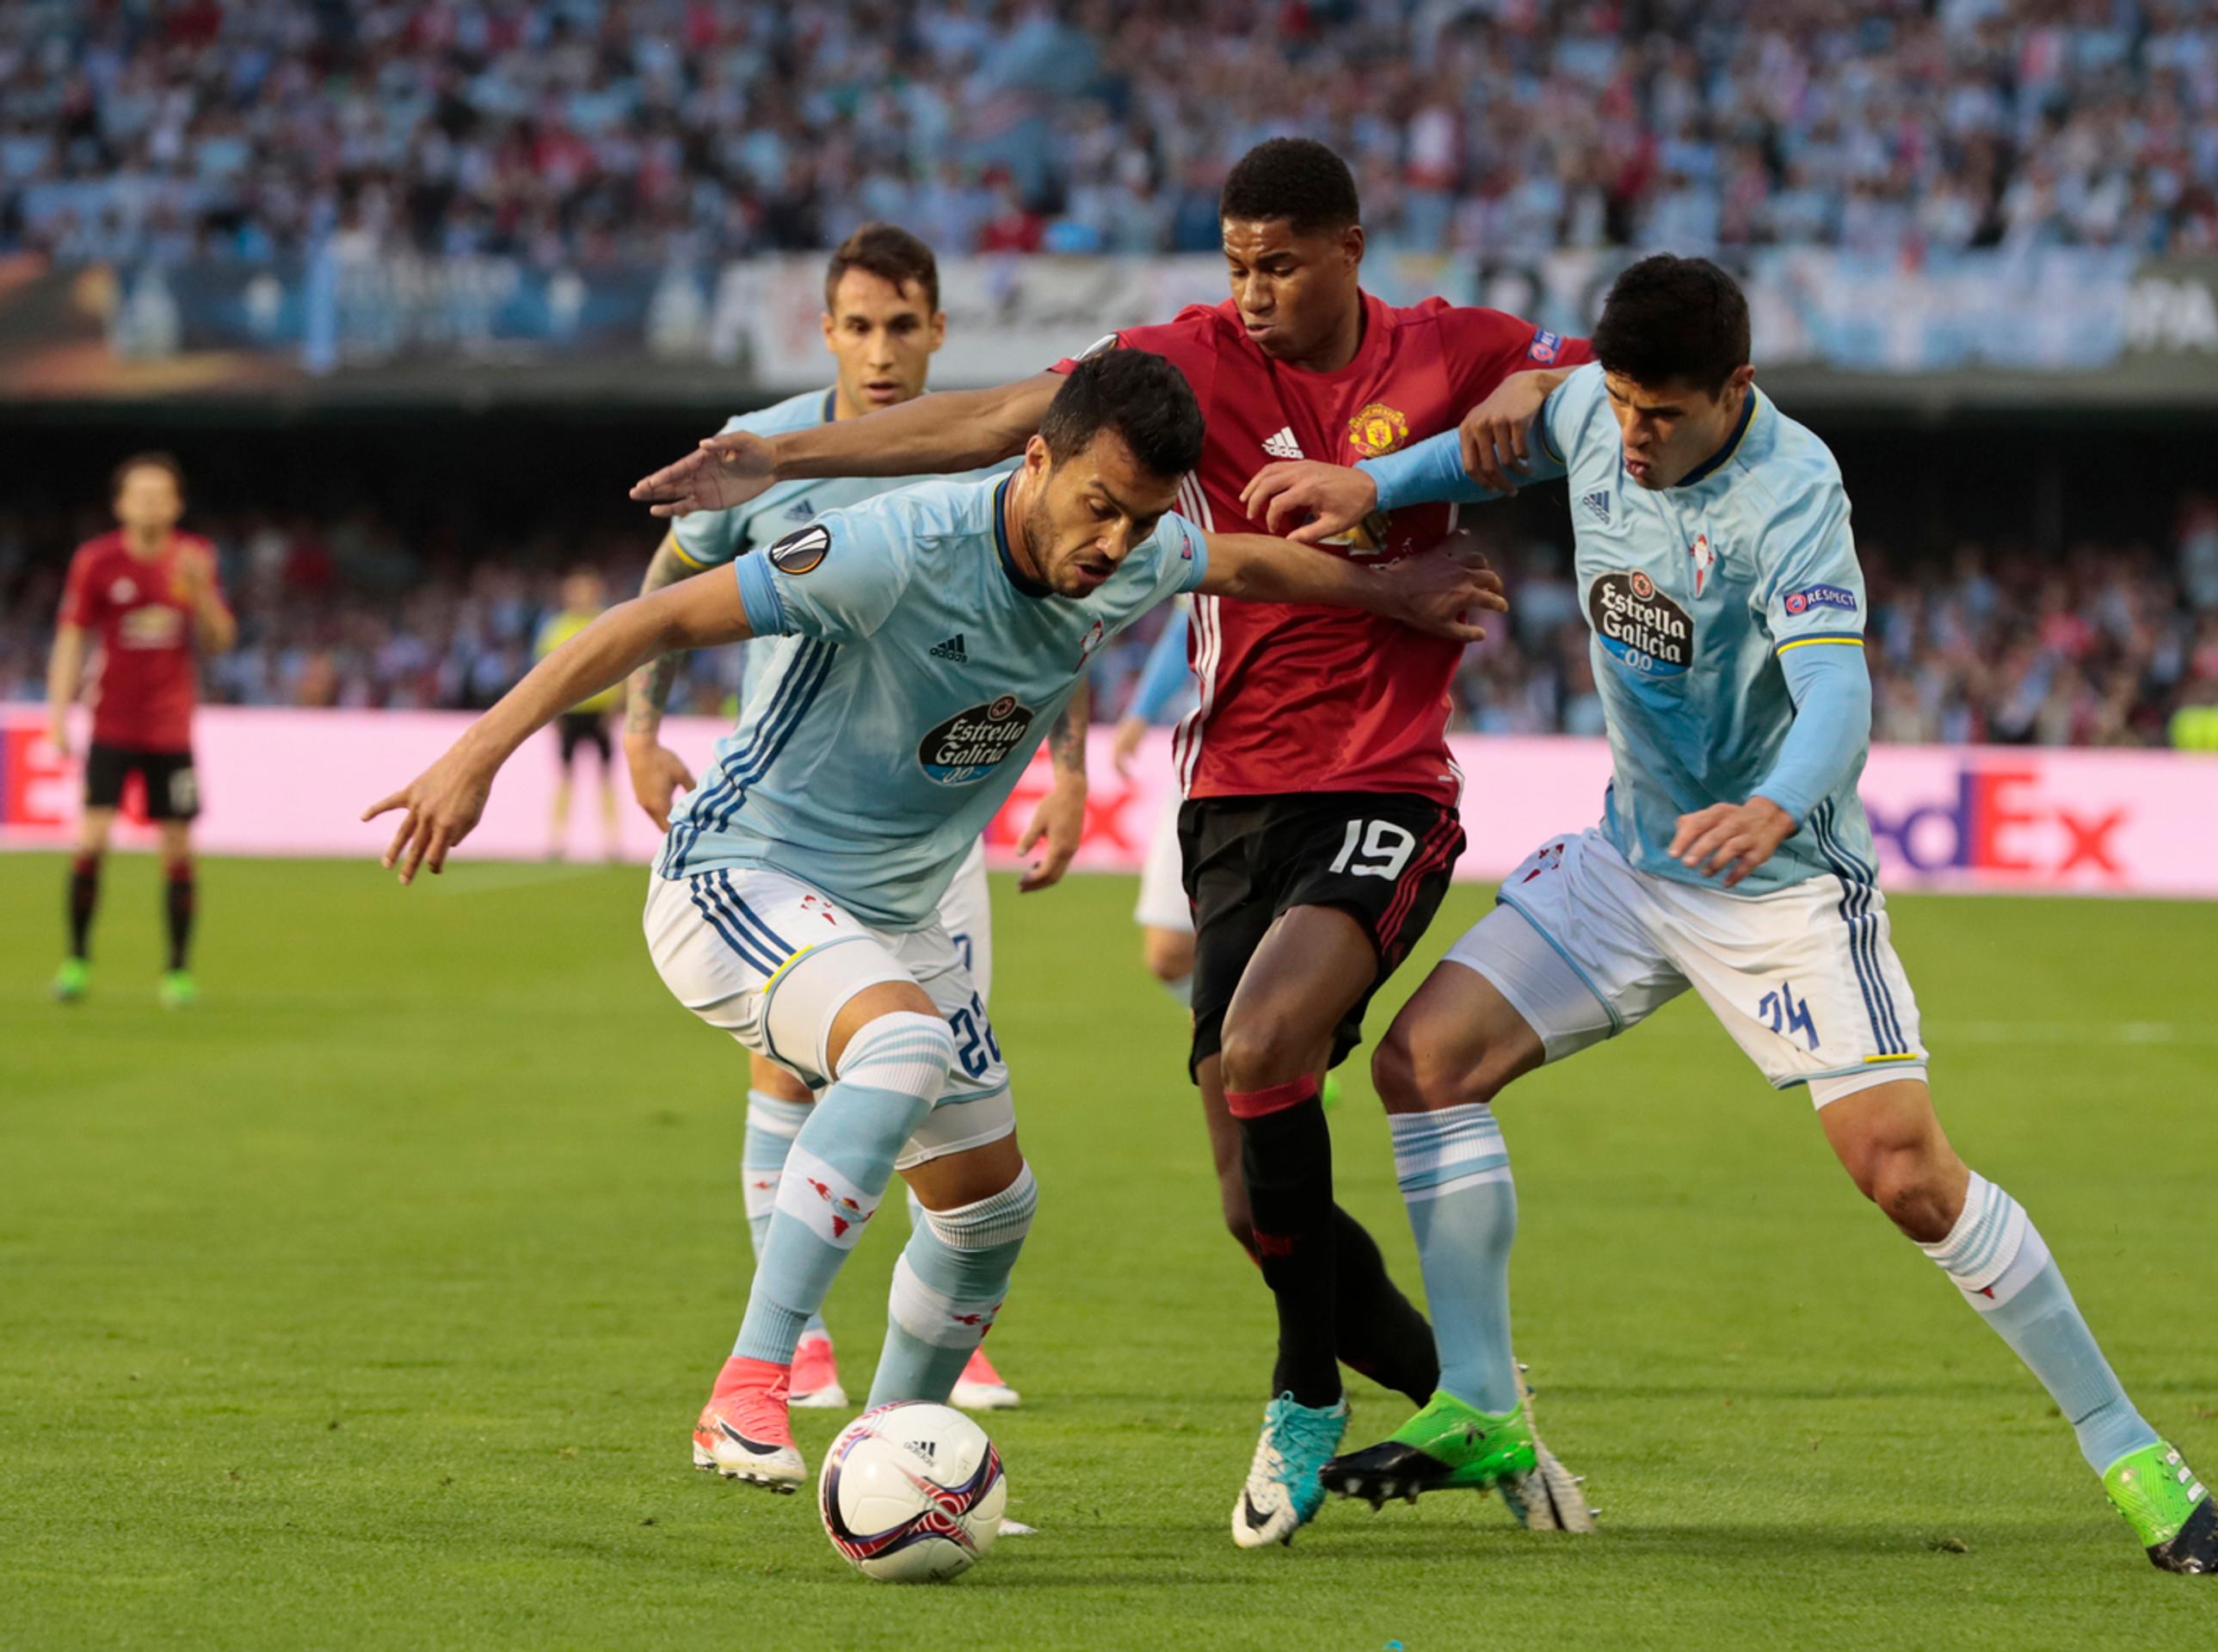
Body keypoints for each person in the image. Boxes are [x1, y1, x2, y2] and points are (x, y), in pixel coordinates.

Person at [632, 138, 1599, 1544]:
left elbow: (1599, 362)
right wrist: (780, 453)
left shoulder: (1454, 347)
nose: (1254, 290)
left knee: (1263, 1053)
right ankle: (1473, 1404)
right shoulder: (1190, 358)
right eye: (1236, 264)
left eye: (1280, 262)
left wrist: (1529, 382)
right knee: (1244, 1189)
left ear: (1347, 246)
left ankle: (1300, 1396)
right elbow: (1004, 426)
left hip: (1384, 780)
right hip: (1229, 794)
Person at [367, 348, 1504, 1499]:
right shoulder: (890, 551)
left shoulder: (1137, 549)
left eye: (1141, 516)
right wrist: (471, 762)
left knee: (987, 1215)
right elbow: (644, 622)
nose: (1114, 542)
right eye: (1096, 506)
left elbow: (1240, 562)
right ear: (1034, 459)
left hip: (897, 914)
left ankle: (891, 1464)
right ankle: (749, 1386)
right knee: (900, 1047)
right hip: (742, 875)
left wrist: (1384, 593)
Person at [1248, 255, 2218, 1575]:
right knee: (1423, 1065)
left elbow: (1835, 694)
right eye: (1620, 406)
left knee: (1904, 1174)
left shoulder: (1790, 491)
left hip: (1775, 889)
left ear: (1736, 391)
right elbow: (1501, 445)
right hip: (1629, 863)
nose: (1632, 437)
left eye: (1663, 415)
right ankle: (1480, 1404)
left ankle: (2128, 1449)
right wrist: (1375, 482)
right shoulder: (1593, 409)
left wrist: (1775, 803)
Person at [621, 224, 1039, 1414]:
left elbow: (1051, 611)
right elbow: (665, 583)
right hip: (790, 817)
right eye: (857, 325)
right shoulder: (771, 449)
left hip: (936, 819)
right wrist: (643, 727)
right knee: (795, 1068)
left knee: (929, 1070)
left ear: (939, 330)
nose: (880, 349)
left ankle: (938, 1307)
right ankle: (792, 1345)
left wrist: (1055, 774)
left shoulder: (975, 458)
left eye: (902, 325)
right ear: (826, 332)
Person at [46, 453, 235, 1009]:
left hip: (171, 729)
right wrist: (58, 715)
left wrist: (199, 594)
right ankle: (77, 959)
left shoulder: (195, 559)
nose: (151, 502)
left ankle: (177, 971)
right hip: (112, 723)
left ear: (177, 503)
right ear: (121, 504)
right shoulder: (97, 561)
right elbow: (71, 638)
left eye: (161, 494)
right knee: (92, 839)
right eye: (140, 493)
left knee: (177, 848)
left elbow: (221, 640)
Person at [1112, 601, 1197, 1002]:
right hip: (1203, 765)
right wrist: (1140, 713)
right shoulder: (1208, 539)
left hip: (1302, 769)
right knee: (1169, 952)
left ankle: (1299, 1057)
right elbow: (1189, 622)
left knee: (1262, 956)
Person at [535, 570, 625, 862]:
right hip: (570, 711)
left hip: (599, 711)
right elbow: (544, 673)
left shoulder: (609, 622)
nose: (581, 597)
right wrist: (552, 713)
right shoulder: (556, 627)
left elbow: (624, 665)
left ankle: (612, 841)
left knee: (606, 777)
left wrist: (615, 707)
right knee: (565, 777)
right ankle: (557, 839)